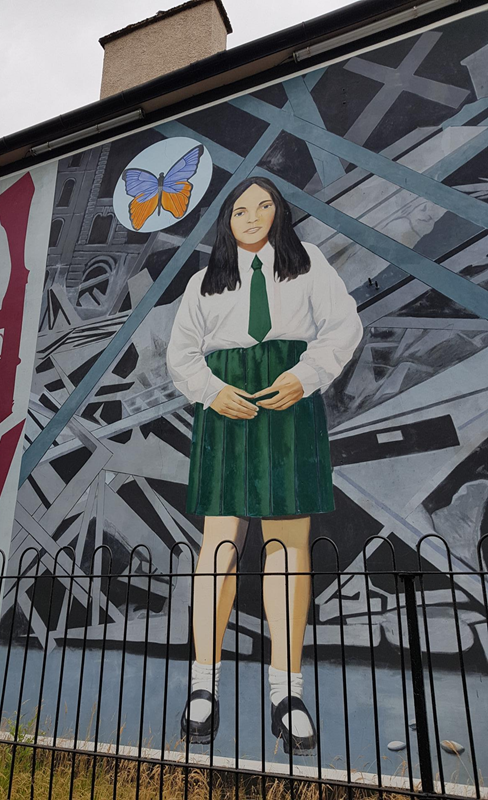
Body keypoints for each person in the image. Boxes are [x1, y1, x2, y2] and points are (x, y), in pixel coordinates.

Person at [166, 176, 363, 754]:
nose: (251, 217)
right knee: (220, 546)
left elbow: (344, 325)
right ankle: (203, 688)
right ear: (225, 221)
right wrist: (208, 389)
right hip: (225, 408)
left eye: (264, 206)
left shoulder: (309, 266)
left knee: (285, 547)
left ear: (279, 214)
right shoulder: (205, 283)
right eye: (239, 209)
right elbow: (181, 352)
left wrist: (304, 377)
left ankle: (288, 692)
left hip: (288, 402)